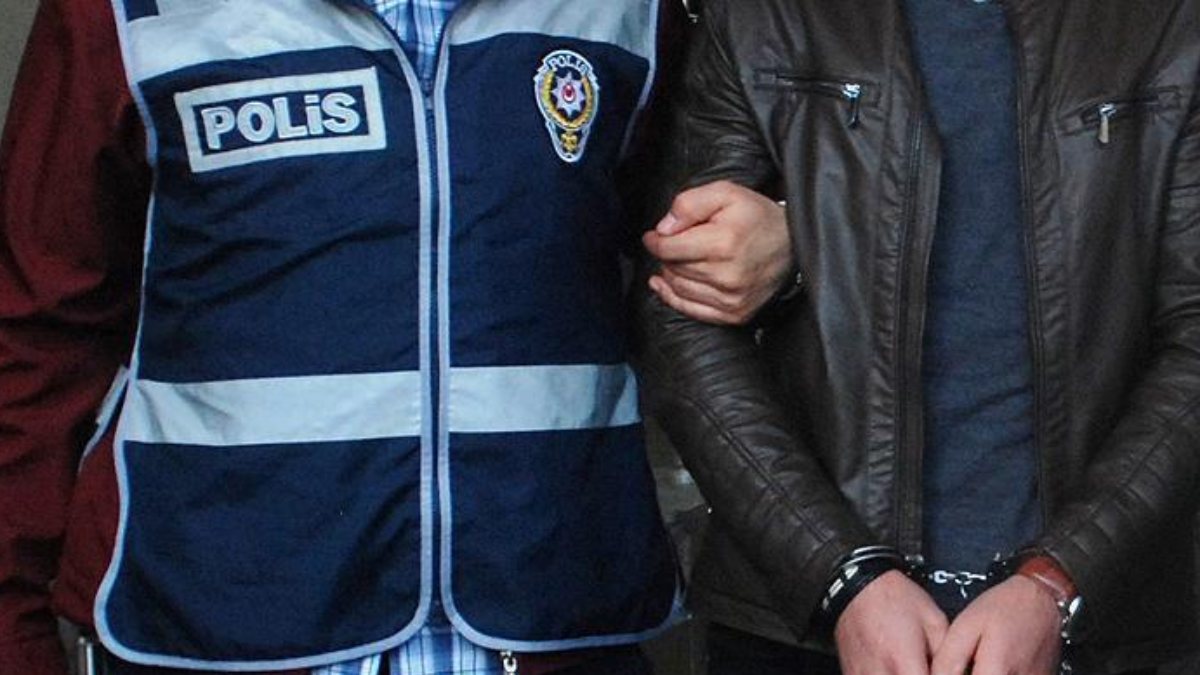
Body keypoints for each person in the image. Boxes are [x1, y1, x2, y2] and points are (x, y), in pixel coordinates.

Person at [0, 1, 688, 673]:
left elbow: (686, 254)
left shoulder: (628, 11)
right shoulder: (123, 12)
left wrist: (754, 244)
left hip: (552, 614)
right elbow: (35, 330)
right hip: (220, 622)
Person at [634, 0, 1200, 673]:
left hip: (1095, 623)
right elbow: (678, 314)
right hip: (800, 624)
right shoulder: (765, 17)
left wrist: (1059, 579)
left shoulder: (1165, 23)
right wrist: (841, 577)